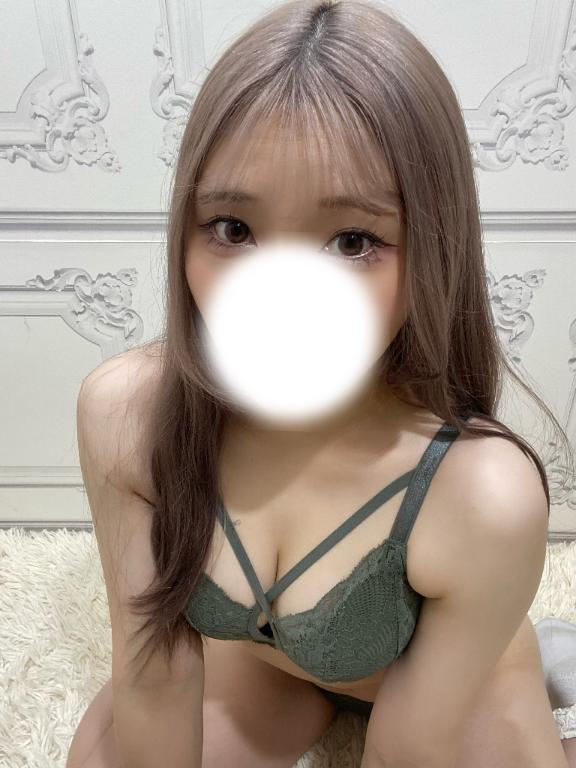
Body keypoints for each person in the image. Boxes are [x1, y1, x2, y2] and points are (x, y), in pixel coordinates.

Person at [67, 1, 576, 767]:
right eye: (234, 229)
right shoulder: (126, 414)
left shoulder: (482, 494)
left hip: (454, 688)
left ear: (432, 245)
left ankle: (544, 658)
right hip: (271, 666)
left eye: (352, 241)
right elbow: (153, 675)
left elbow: (404, 752)